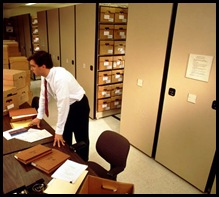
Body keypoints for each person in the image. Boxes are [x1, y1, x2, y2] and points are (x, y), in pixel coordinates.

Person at [27, 50, 90, 161]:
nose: (31, 69)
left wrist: (58, 131)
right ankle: (68, 159)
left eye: (33, 66)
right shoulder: (44, 75)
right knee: (64, 136)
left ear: (43, 66)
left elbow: (63, 105)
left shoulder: (60, 78)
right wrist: (39, 116)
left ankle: (84, 162)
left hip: (79, 106)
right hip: (68, 105)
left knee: (81, 138)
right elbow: (43, 96)